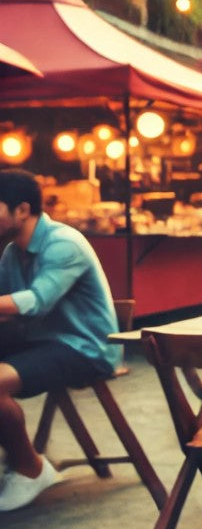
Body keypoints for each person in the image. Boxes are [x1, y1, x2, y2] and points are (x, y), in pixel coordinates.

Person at [0, 169, 120, 510]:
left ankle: (31, 468)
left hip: (84, 347)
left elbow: (37, 301)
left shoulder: (63, 243)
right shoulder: (12, 252)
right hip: (43, 342)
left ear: (21, 210)